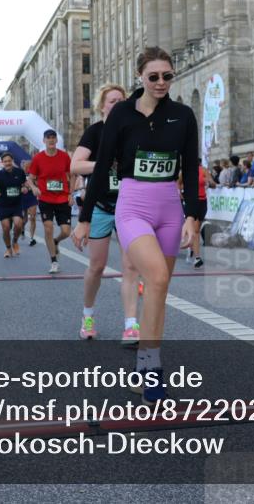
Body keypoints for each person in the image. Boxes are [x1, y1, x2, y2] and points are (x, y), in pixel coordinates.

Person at [72, 47, 199, 403]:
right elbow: (100, 168)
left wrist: (192, 215)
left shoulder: (183, 115)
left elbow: (190, 166)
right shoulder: (123, 114)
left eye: (167, 76)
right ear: (140, 77)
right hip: (133, 207)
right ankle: (153, 369)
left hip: (170, 209)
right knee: (156, 276)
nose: (161, 82)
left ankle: (146, 364)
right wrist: (83, 219)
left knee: (159, 289)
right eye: (153, 76)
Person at [71, 83, 142, 345]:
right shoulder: (95, 131)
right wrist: (103, 164)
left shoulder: (132, 130)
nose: (117, 104)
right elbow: (76, 164)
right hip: (100, 207)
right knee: (97, 266)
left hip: (129, 206)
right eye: (112, 101)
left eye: (121, 100)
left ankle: (131, 325)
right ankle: (87, 316)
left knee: (131, 266)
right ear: (102, 106)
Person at [27, 129, 73, 274]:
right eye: (48, 138)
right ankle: (54, 261)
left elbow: (72, 175)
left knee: (66, 231)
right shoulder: (38, 158)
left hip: (62, 197)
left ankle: (56, 241)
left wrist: (71, 193)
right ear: (44, 141)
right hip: (45, 198)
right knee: (48, 228)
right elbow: (30, 178)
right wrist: (34, 188)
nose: (51, 140)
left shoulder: (64, 157)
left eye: (53, 138)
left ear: (56, 140)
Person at [0, 153, 29, 258]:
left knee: (18, 224)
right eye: (5, 161)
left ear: (12, 161)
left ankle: (15, 241)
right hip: (4, 205)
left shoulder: (20, 172)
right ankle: (8, 248)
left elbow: (25, 184)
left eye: (9, 161)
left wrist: (25, 188)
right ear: (2, 163)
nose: (7, 163)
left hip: (16, 204)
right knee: (6, 228)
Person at [20, 160, 38, 246]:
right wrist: (21, 188)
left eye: (29, 166)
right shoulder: (19, 174)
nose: (27, 168)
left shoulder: (35, 174)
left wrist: (34, 186)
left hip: (32, 197)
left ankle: (32, 238)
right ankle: (22, 228)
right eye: (26, 166)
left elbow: (39, 184)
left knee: (33, 217)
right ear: (23, 166)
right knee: (24, 219)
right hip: (22, 197)